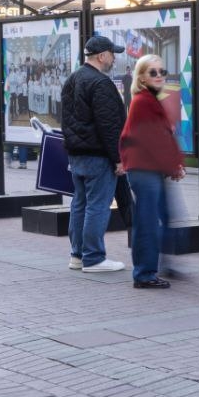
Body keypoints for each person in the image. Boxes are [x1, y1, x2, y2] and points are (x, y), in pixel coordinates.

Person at [61, 35, 128, 273]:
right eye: (112, 54)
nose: (114, 58)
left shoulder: (72, 79)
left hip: (76, 155)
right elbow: (109, 126)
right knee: (98, 206)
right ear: (101, 56)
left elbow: (66, 120)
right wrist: (118, 158)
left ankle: (77, 255)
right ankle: (93, 258)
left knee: (79, 204)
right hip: (98, 157)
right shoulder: (101, 83)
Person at [120, 54, 185, 290]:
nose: (159, 76)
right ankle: (144, 274)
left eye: (162, 71)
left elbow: (162, 137)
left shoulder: (150, 100)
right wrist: (173, 166)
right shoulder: (143, 101)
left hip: (150, 169)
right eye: (153, 72)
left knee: (157, 218)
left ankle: (154, 268)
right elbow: (152, 140)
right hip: (144, 170)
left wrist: (174, 164)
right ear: (142, 77)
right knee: (147, 223)